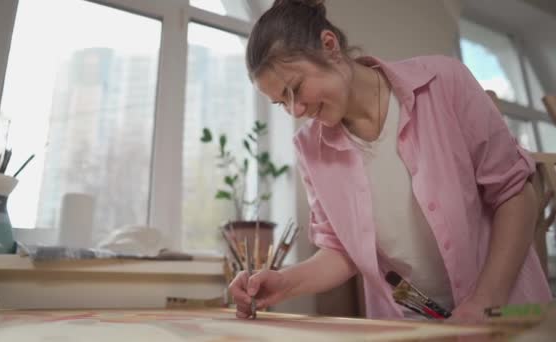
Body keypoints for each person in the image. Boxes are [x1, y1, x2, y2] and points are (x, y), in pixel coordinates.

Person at [228, 0, 552, 322]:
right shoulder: (309, 148)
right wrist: (284, 282)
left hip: (506, 311)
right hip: (410, 326)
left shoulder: (444, 82)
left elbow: (514, 193)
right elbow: (340, 250)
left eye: (295, 89)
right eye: (281, 102)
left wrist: (486, 301)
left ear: (329, 46)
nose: (295, 110)